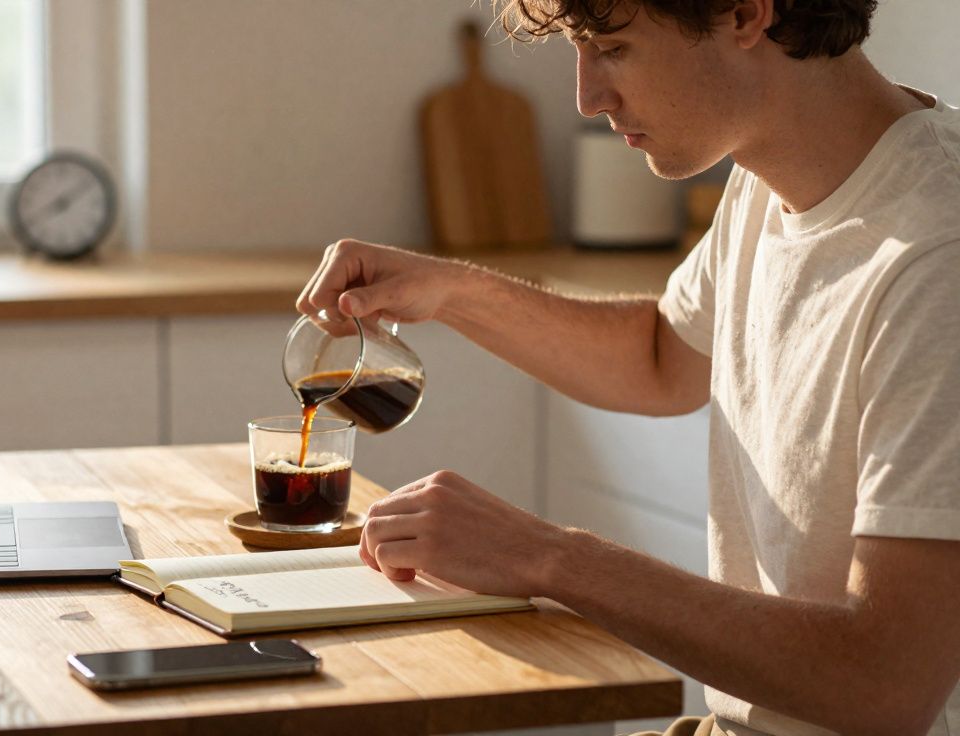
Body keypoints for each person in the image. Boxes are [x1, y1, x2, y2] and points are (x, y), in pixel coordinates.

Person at [295, 1, 960, 734]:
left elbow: (886, 684)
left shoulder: (937, 257)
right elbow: (662, 357)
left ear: (744, 12)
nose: (587, 97)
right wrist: (451, 291)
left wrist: (548, 557)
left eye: (612, 48)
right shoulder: (771, 175)